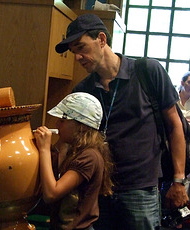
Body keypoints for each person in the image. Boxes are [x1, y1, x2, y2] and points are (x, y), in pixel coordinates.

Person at [54, 14, 189, 230]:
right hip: (98, 190)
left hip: (140, 189)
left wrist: (178, 180)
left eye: (81, 47)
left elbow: (175, 127)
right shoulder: (83, 91)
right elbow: (72, 140)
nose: (77, 57)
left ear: (101, 39)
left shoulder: (148, 72)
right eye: (73, 52)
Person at [34, 92, 114, 230]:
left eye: (62, 121)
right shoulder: (74, 151)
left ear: (81, 126)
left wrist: (44, 150)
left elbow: (51, 194)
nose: (57, 124)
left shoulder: (89, 156)